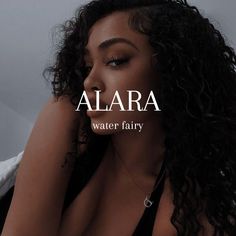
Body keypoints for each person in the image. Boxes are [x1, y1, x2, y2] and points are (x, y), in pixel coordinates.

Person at [1, 0, 236, 235]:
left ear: (173, 70)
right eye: (87, 66)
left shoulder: (188, 202)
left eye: (115, 60)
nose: (89, 81)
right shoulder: (67, 116)